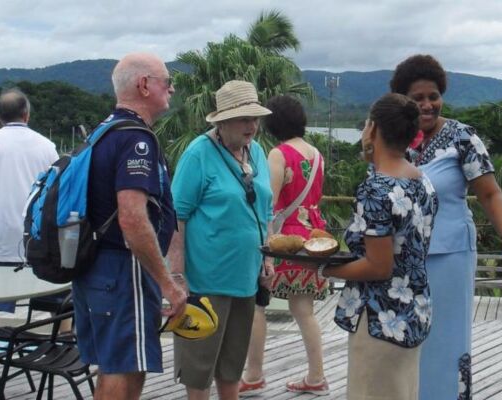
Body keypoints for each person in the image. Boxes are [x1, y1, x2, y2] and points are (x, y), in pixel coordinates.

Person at [389, 54, 502, 399]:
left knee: (444, 339)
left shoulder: (462, 138)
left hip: (450, 255)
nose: (427, 105)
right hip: (399, 258)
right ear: (403, 102)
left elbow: (489, 192)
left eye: (433, 96)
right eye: (417, 98)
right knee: (402, 337)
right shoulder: (392, 140)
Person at [72, 52, 187, 400]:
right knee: (123, 368)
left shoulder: (103, 132)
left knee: (117, 364)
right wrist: (167, 282)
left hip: (95, 268)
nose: (171, 89)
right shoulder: (136, 139)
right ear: (144, 85)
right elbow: (132, 218)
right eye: (167, 82)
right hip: (122, 270)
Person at [306, 93, 435, 399]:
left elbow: (378, 266)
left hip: (380, 318)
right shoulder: (420, 179)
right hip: (413, 312)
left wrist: (323, 267)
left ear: (373, 128)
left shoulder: (377, 188)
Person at [168, 80, 274, 400]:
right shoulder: (198, 154)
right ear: (222, 121)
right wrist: (176, 276)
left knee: (232, 367)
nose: (252, 125)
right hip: (205, 282)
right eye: (244, 118)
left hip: (246, 279)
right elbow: (177, 217)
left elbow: (265, 210)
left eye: (254, 118)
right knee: (198, 370)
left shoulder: (256, 151)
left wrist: (268, 259)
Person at [239, 95, 330, 396]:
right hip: (314, 237)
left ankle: (254, 373)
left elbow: (269, 203)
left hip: (285, 241)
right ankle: (316, 376)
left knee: (257, 302)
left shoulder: (279, 154)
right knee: (305, 311)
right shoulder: (317, 154)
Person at [0, 88, 59, 326]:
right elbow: (56, 192)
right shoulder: (46, 146)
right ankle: (64, 343)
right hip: (37, 237)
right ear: (26, 114)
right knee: (57, 299)